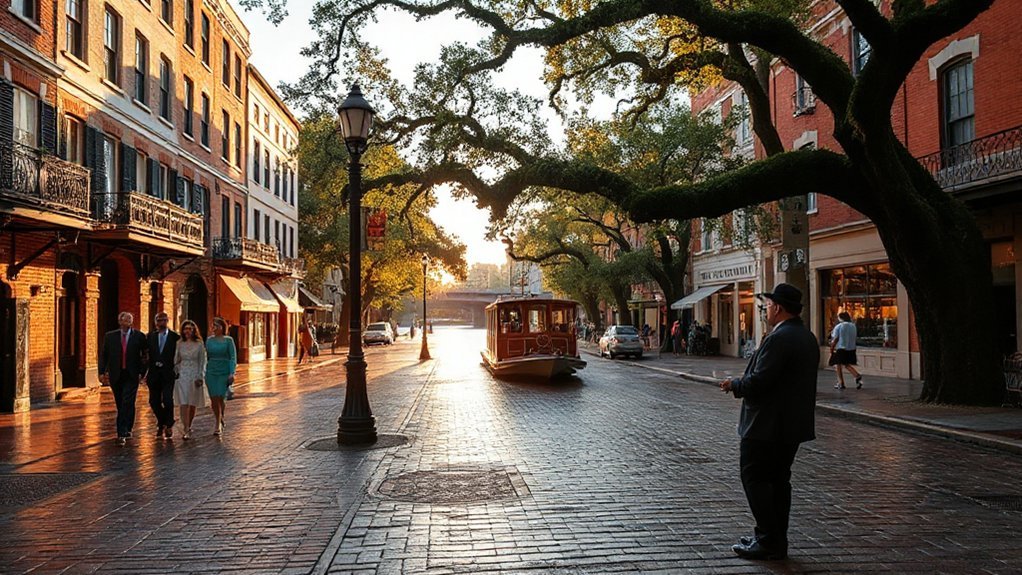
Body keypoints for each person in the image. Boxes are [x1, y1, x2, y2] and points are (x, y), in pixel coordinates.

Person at [719, 283, 819, 561]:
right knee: (778, 481)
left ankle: (768, 540)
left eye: (768, 307)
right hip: (790, 425)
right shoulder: (806, 336)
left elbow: (761, 381)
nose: (765, 312)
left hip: (766, 426)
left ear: (778, 308)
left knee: (755, 479)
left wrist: (734, 384)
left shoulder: (780, 338)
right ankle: (775, 538)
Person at [98, 311, 149, 445]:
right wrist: (101, 372)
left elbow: (145, 355)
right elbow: (104, 355)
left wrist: (142, 372)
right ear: (120, 322)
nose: (127, 323)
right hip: (116, 374)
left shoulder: (139, 336)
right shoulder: (110, 336)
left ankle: (121, 433)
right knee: (121, 402)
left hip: (132, 374)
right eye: (124, 320)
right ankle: (128, 427)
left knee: (127, 400)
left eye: (129, 320)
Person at [145, 312, 179, 439]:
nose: (162, 323)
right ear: (156, 322)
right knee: (153, 401)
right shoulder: (150, 337)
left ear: (168, 321)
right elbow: (145, 355)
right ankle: (162, 421)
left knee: (168, 400)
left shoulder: (175, 337)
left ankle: (168, 425)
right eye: (159, 320)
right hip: (154, 374)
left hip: (168, 374)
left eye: (164, 320)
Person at [174, 320, 208, 440]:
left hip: (194, 374)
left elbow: (202, 361)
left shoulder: (199, 344)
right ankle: (185, 427)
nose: (187, 331)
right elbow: (176, 359)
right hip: (183, 374)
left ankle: (190, 423)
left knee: (192, 402)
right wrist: (176, 370)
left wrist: (200, 375)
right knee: (183, 402)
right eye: (185, 329)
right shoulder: (179, 344)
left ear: (194, 330)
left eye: (190, 329)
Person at [205, 317, 237, 436]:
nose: (214, 328)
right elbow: (206, 356)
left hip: (224, 370)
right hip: (211, 371)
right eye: (213, 325)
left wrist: (231, 372)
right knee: (214, 397)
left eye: (217, 325)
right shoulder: (209, 340)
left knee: (221, 396)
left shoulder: (228, 340)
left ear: (223, 327)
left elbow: (232, 357)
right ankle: (217, 422)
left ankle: (221, 415)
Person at [829, 311, 863, 390]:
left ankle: (841, 382)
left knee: (838, 364)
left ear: (841, 318)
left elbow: (836, 338)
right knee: (846, 364)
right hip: (851, 348)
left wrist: (832, 348)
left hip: (841, 348)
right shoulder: (853, 326)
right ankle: (857, 375)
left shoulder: (839, 326)